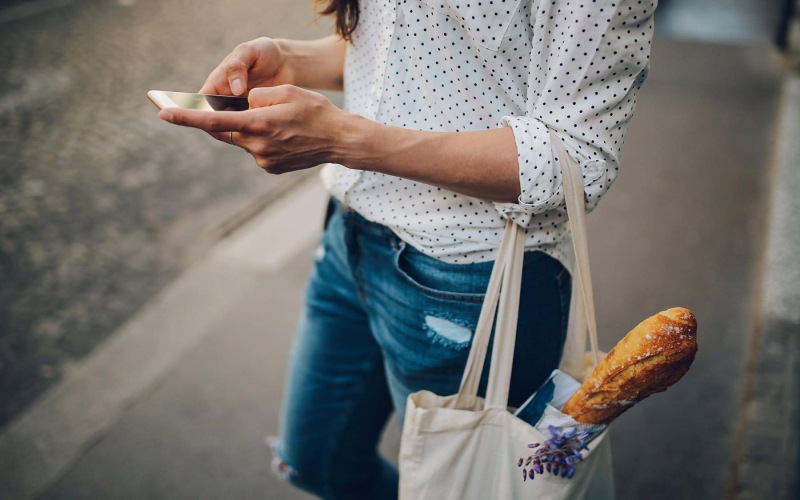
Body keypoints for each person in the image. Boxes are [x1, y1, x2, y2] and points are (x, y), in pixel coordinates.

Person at [159, 0, 656, 497]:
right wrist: (289, 59)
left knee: (470, 486)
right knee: (314, 462)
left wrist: (345, 139)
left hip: (471, 279)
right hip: (349, 237)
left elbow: (578, 156)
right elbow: (414, 43)